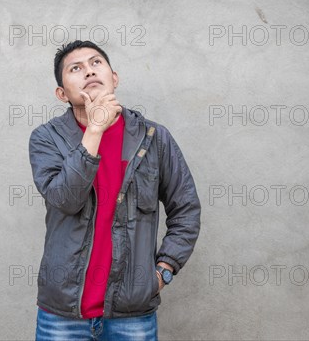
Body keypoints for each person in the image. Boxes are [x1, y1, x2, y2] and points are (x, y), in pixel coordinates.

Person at [28, 40, 201, 340]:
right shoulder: (46, 139)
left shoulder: (153, 137)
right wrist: (94, 130)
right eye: (76, 68)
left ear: (114, 77)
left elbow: (186, 209)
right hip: (63, 316)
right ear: (61, 93)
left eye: (96, 63)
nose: (89, 71)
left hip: (131, 316)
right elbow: (65, 200)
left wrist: (162, 272)